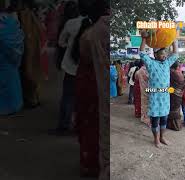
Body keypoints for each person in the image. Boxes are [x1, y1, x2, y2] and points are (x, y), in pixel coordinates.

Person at [73, 0, 108, 177]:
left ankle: (89, 164)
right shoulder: (101, 31)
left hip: (89, 82)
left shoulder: (88, 34)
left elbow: (80, 57)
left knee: (89, 124)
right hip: (96, 84)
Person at [50, 1, 85, 135]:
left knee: (68, 97)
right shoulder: (94, 25)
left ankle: (64, 125)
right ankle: (80, 125)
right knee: (84, 97)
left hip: (71, 67)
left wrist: (70, 46)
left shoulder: (70, 24)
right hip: (87, 69)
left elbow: (61, 42)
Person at [139, 30, 178, 148]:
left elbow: (175, 54)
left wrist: (173, 41)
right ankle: (156, 140)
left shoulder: (167, 63)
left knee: (164, 119)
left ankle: (162, 137)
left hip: (165, 97)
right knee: (155, 120)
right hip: (155, 97)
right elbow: (141, 53)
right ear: (155, 55)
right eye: (162, 53)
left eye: (165, 53)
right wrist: (144, 39)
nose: (165, 55)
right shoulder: (150, 63)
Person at [16, 0, 43, 109]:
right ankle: (34, 98)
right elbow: (40, 30)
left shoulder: (24, 14)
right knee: (32, 73)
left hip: (28, 49)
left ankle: (31, 99)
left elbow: (25, 32)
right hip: (33, 48)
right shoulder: (31, 15)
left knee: (28, 73)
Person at [0, 4, 24, 115]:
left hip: (2, 59)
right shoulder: (12, 20)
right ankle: (12, 106)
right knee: (11, 83)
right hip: (11, 61)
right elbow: (18, 38)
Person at [55, 1, 79, 70]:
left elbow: (60, 42)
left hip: (65, 53)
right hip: (69, 54)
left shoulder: (64, 21)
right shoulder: (76, 22)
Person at [167, 61, 185, 131]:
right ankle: (176, 125)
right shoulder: (179, 73)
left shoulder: (173, 73)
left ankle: (174, 126)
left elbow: (169, 83)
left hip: (174, 94)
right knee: (176, 109)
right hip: (179, 94)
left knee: (172, 109)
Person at [135, 61, 150, 126]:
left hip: (142, 89)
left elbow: (136, 78)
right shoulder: (149, 70)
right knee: (150, 103)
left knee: (143, 103)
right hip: (150, 89)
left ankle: (144, 117)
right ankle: (149, 117)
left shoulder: (138, 71)